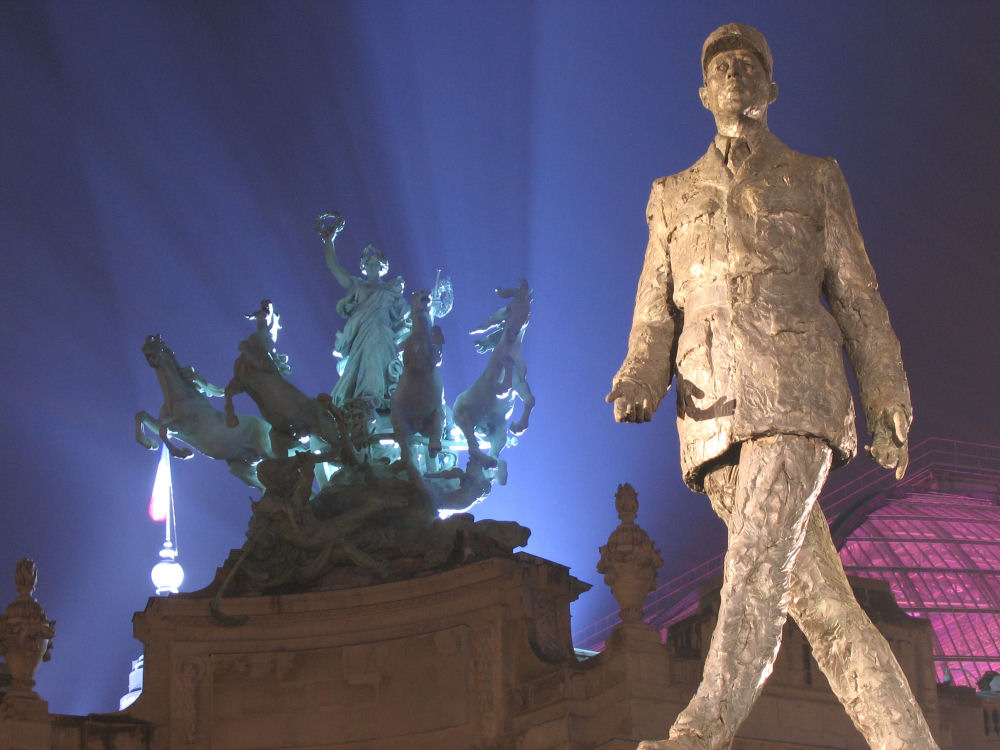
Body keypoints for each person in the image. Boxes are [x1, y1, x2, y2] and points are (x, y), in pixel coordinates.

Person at [607, 23, 939, 750]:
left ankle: (701, 731)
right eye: (721, 66)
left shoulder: (815, 178)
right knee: (826, 611)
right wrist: (638, 377)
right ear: (703, 93)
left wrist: (887, 395)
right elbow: (654, 310)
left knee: (754, 564)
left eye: (749, 65)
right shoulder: (671, 195)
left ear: (770, 89)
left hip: (796, 396)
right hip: (710, 414)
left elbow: (858, 298)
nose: (734, 73)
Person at [317, 213, 410, 409]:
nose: (372, 266)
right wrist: (328, 241)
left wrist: (430, 309)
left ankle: (381, 396)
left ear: (382, 266)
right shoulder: (356, 285)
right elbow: (334, 268)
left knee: (380, 360)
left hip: (384, 332)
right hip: (362, 332)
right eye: (368, 264)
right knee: (366, 360)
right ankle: (367, 395)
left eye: (375, 263)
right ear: (363, 267)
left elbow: (409, 316)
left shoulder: (391, 289)